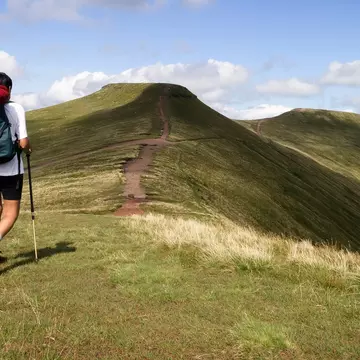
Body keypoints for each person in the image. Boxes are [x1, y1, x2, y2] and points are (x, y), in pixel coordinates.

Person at [0, 72, 31, 255]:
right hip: (11, 171)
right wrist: (28, 150)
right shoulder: (16, 108)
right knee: (10, 213)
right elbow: (24, 142)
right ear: (9, 89)